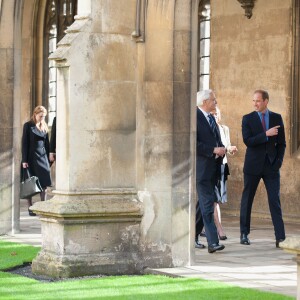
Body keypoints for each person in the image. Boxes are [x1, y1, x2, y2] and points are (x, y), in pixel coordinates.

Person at [240, 90, 286, 248]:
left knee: (275, 200)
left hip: (271, 166)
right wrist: (265, 134)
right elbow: (248, 141)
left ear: (266, 101)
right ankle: (244, 233)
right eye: (253, 101)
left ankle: (280, 237)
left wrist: (278, 162)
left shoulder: (276, 117)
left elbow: (282, 144)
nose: (255, 104)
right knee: (247, 200)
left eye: (258, 101)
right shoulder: (247, 118)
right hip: (252, 166)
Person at [196, 89, 226, 253]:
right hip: (202, 170)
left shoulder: (211, 118)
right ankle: (213, 242)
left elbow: (217, 140)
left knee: (203, 204)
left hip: (213, 169)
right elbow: (193, 143)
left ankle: (193, 235)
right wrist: (213, 150)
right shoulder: (194, 116)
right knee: (208, 205)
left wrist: (222, 149)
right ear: (204, 102)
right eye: (213, 100)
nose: (216, 102)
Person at [212, 107, 238, 240]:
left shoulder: (224, 129)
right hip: (211, 166)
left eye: (217, 114)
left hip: (222, 166)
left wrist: (230, 149)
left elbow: (226, 146)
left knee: (217, 199)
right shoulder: (208, 128)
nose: (215, 116)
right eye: (212, 114)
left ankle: (207, 227)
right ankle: (219, 228)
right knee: (214, 199)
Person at [21, 106, 52, 216]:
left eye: (44, 116)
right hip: (30, 158)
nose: (42, 118)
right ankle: (30, 207)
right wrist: (24, 160)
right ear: (35, 114)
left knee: (44, 183)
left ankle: (43, 206)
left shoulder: (44, 126)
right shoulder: (28, 125)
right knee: (30, 184)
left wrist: (49, 157)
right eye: (40, 116)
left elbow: (47, 143)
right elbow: (24, 143)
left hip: (42, 158)